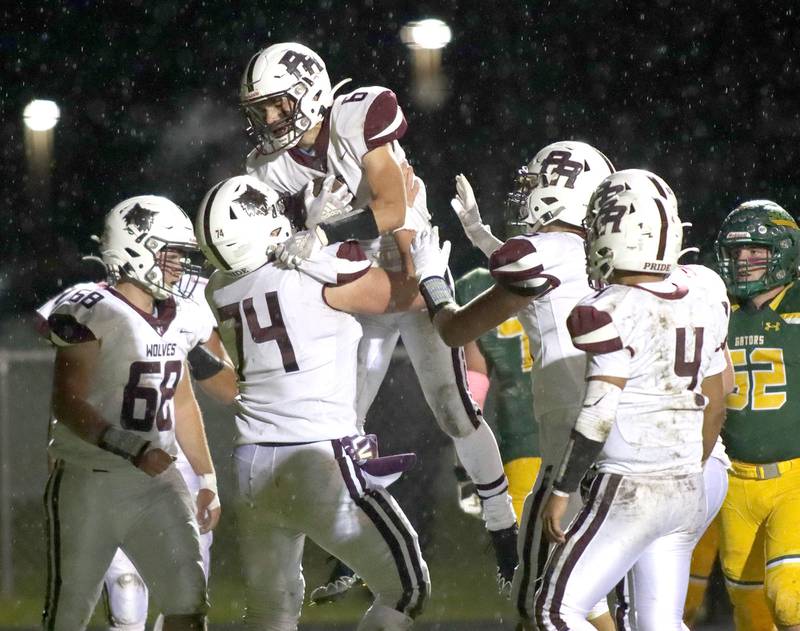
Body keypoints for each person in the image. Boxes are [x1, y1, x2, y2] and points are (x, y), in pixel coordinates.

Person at [240, 41, 518, 596]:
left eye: (278, 105)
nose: (270, 119)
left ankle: (502, 528)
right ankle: (355, 540)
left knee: (455, 410)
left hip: (412, 271)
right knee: (343, 420)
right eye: (260, 108)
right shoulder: (269, 168)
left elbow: (392, 209)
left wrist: (321, 232)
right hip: (359, 284)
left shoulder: (355, 115)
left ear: (312, 93)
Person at [195, 175, 430, 630]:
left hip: (250, 462)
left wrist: (319, 231)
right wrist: (411, 239)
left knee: (270, 611)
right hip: (317, 458)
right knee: (406, 586)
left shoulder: (218, 289)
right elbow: (411, 295)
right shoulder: (315, 270)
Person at [530, 173, 729, 630]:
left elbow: (598, 413)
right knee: (657, 625)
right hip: (686, 486)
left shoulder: (608, 308)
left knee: (555, 609)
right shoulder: (703, 291)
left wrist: (561, 490)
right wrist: (683, 468)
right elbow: (718, 401)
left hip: (630, 487)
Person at [435, 140, 617, 629]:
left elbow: (457, 328)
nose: (527, 193)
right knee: (595, 595)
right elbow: (539, 267)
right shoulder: (604, 252)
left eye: (536, 183)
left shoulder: (543, 252)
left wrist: (434, 285)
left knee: (537, 597)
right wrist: (480, 234)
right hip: (623, 433)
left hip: (567, 440)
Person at [40, 196, 220, 630]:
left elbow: (181, 401)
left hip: (158, 482)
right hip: (90, 480)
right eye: (170, 254)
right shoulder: (91, 307)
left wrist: (208, 477)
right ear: (135, 248)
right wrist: (128, 446)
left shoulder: (177, 315)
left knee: (189, 604)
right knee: (68, 615)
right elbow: (67, 402)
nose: (178, 266)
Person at [714, 200, 800, 631]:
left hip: (795, 479)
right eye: (736, 252)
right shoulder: (715, 310)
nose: (743, 261)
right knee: (751, 616)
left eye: (754, 251)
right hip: (735, 483)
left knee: (788, 598)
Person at [454, 267, 541, 522]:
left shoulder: (480, 288)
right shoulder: (578, 276)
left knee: (525, 549)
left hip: (524, 438)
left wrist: (467, 469)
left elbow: (471, 391)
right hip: (583, 439)